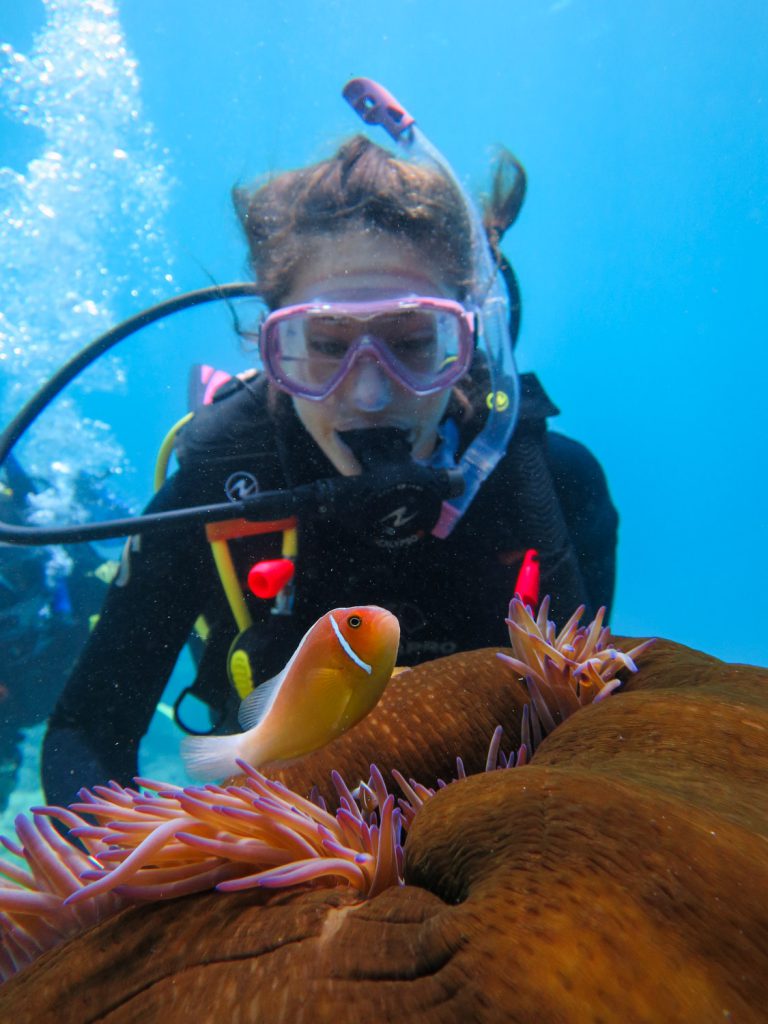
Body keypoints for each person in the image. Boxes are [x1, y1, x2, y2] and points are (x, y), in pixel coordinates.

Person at [42, 99, 618, 808]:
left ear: (469, 342)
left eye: (412, 342)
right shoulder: (216, 489)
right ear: (270, 348)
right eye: (323, 347)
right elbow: (87, 732)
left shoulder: (553, 487)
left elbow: (590, 720)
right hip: (275, 826)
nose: (371, 395)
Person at [0, 456, 110, 809]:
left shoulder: (72, 569)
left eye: (17, 571)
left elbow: (130, 604)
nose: (9, 587)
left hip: (63, 691)